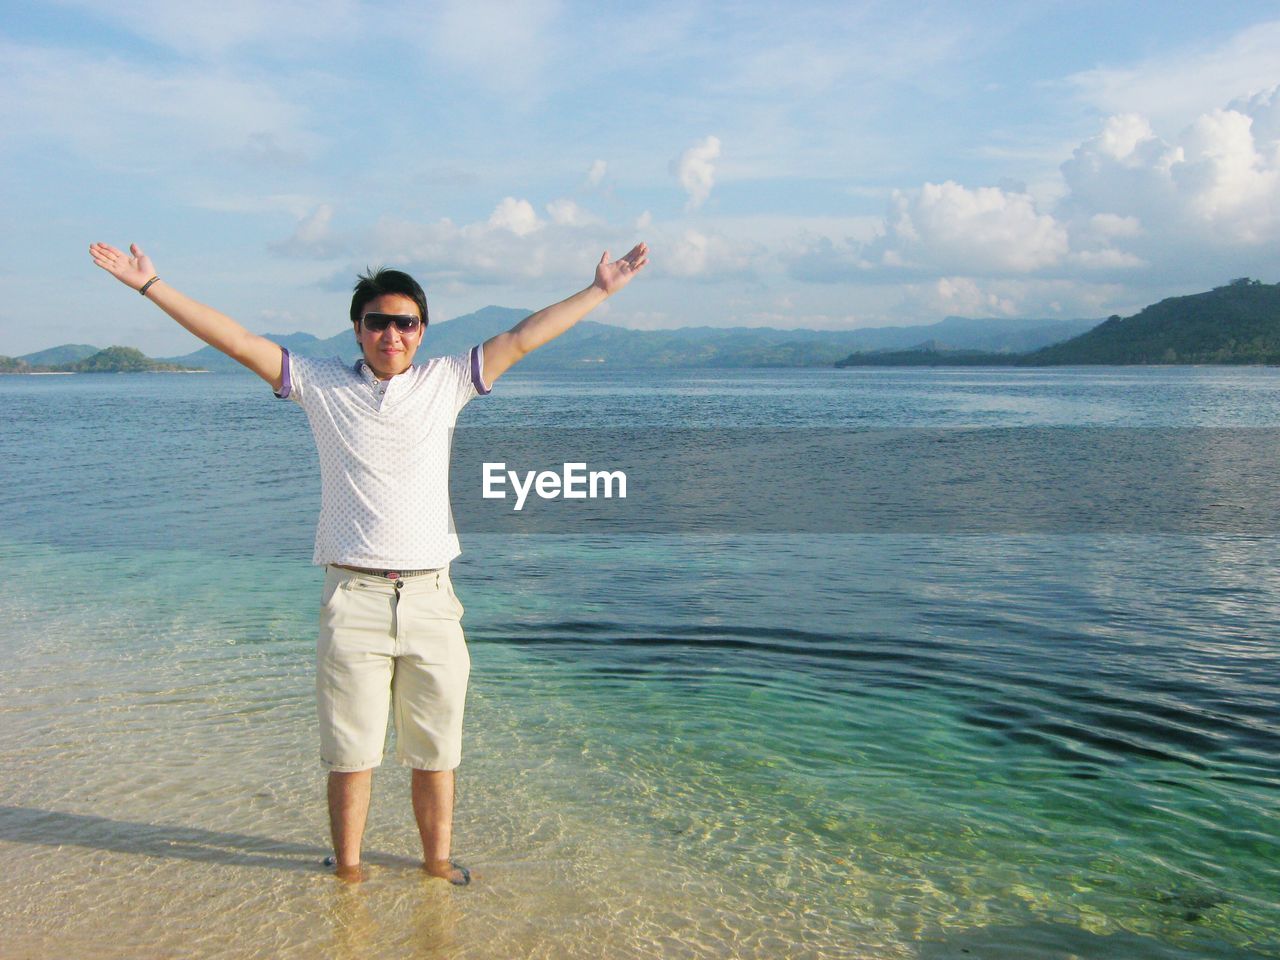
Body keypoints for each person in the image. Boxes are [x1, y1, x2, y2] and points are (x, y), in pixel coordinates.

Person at [88, 239, 649, 883]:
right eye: (378, 321)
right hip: (353, 596)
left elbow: (523, 337)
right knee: (350, 754)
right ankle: (348, 872)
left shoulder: (446, 382)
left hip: (433, 600)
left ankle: (435, 866)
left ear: (421, 331)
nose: (391, 334)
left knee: (436, 751)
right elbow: (237, 340)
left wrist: (600, 290)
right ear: (357, 329)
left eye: (404, 322)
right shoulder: (322, 385)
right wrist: (150, 285)